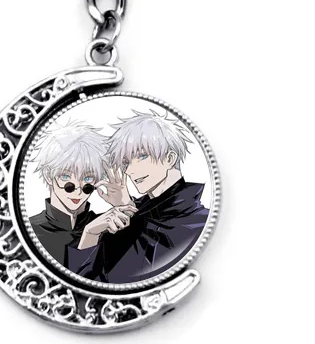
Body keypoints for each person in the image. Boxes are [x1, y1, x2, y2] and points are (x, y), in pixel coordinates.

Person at [66, 110, 209, 283]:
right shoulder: (125, 217)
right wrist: (91, 233)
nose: (129, 171)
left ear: (170, 158)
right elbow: (87, 285)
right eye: (126, 162)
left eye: (142, 156)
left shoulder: (200, 223)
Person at [28, 118, 135, 270]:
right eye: (66, 176)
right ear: (48, 175)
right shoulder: (31, 231)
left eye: (87, 178)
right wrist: (89, 236)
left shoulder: (108, 224)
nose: (78, 189)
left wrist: (126, 204)